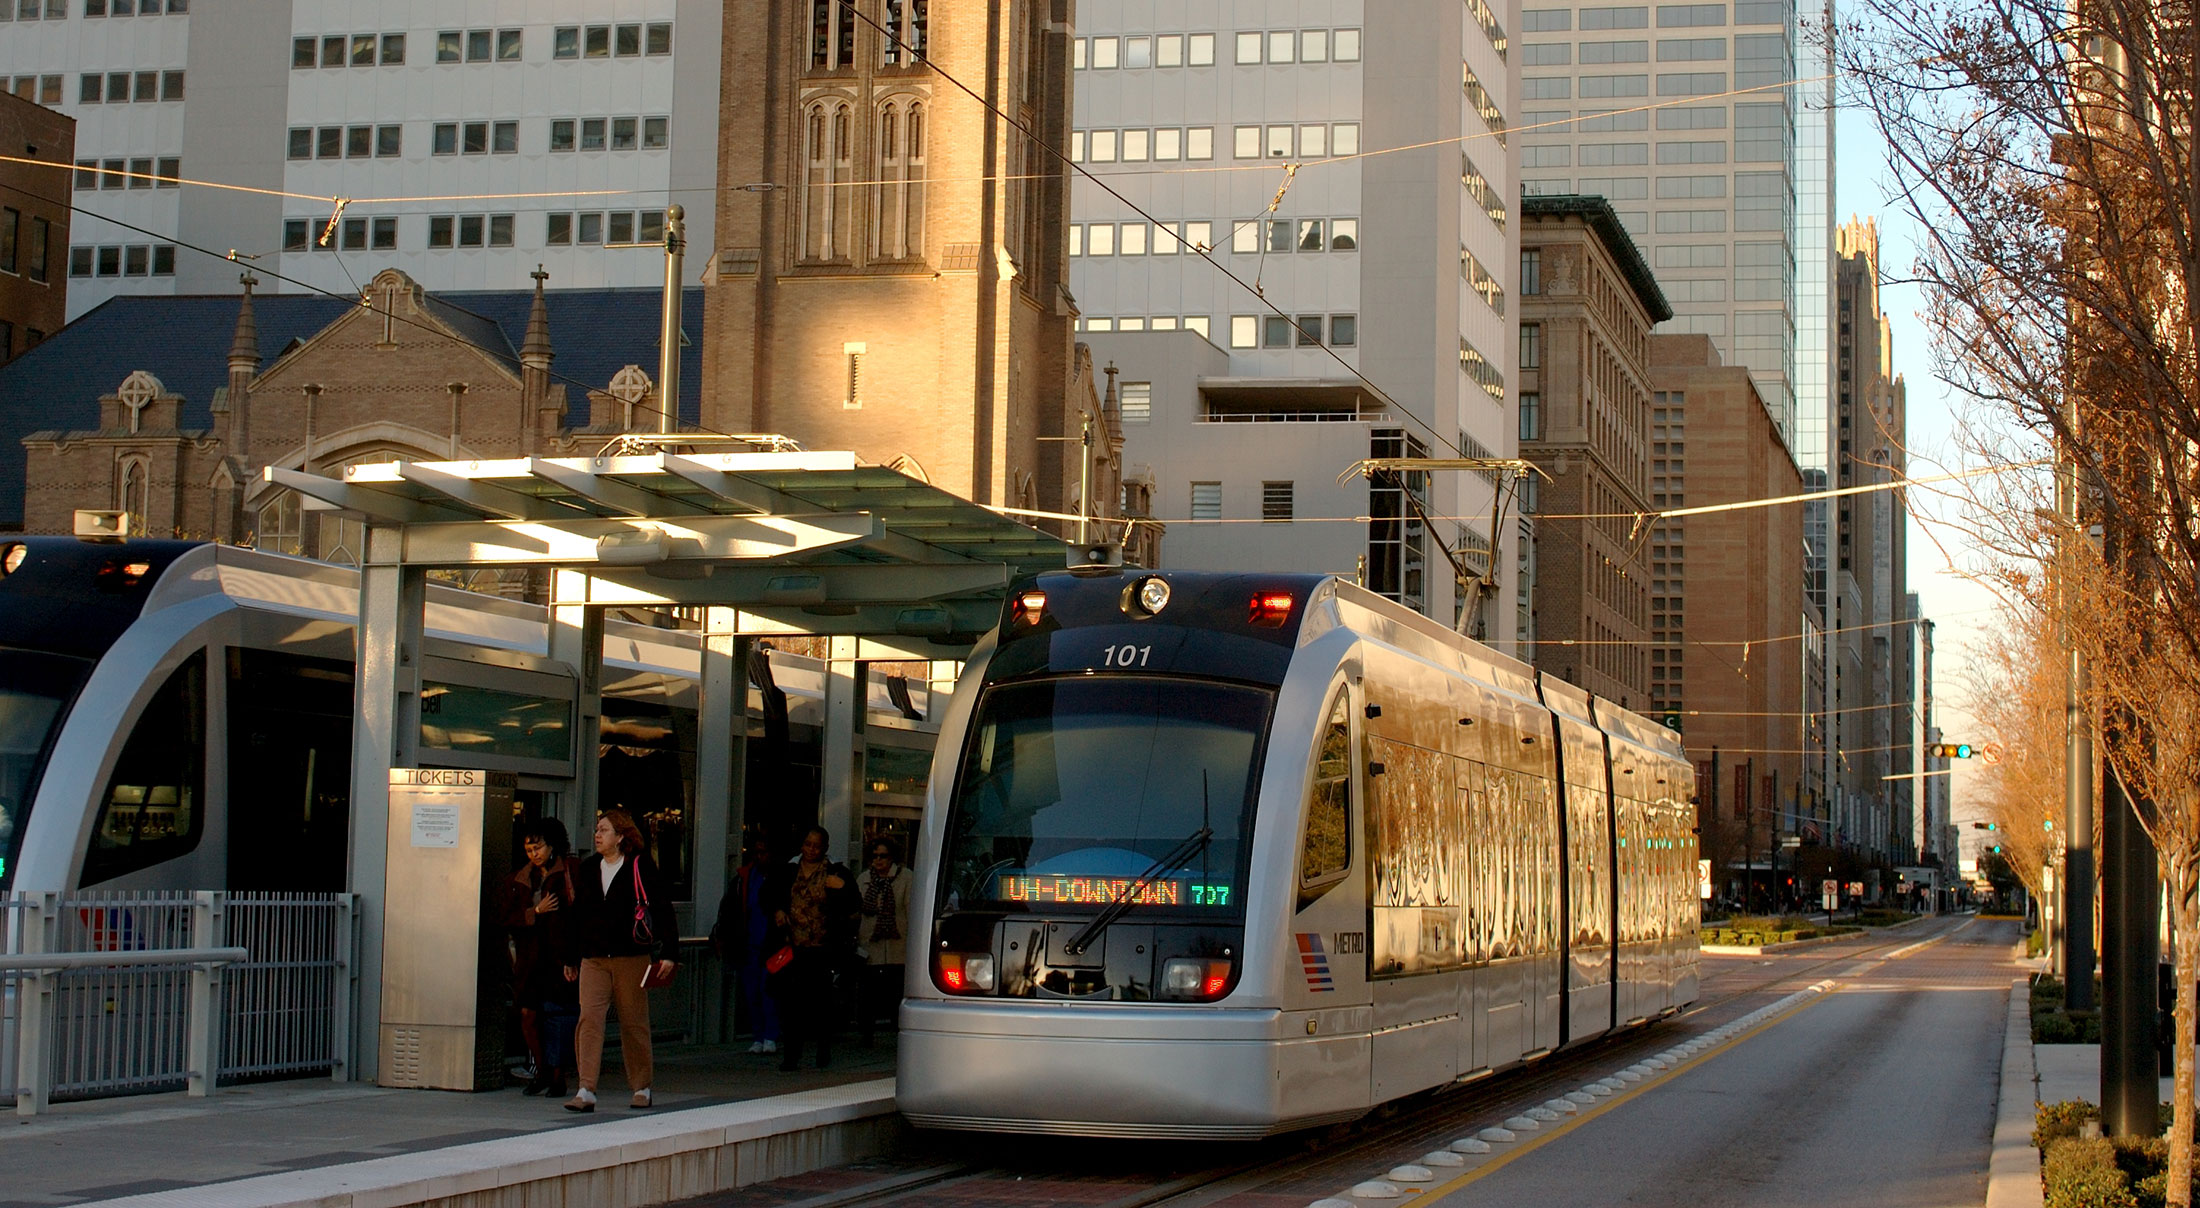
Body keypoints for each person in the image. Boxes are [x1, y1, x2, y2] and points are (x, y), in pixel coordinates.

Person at [563, 808, 678, 1112]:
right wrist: (571, 957)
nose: (597, 835)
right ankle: (586, 1088)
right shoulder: (588, 868)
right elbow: (578, 916)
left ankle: (641, 1086)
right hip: (594, 958)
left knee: (632, 1022)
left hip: (631, 957)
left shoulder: (640, 866)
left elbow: (664, 909)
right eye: (597, 830)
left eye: (604, 830)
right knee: (589, 1020)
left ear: (621, 836)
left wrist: (669, 953)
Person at [763, 826, 858, 1071]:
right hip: (793, 947)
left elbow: (855, 905)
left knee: (821, 1002)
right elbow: (767, 894)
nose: (811, 850)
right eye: (808, 844)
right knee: (791, 1002)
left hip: (822, 947)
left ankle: (822, 1051)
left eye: (816, 845)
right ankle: (791, 1056)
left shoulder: (835, 872)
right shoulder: (789, 871)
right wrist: (778, 911)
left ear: (825, 848)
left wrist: (842, 888)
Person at [500, 818, 581, 1097]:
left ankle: (558, 1075)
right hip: (529, 959)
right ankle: (543, 1069)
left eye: (538, 847)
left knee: (557, 1017)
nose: (534, 854)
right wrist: (534, 912)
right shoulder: (520, 878)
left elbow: (578, 919)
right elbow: (504, 918)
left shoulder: (570, 872)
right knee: (528, 1015)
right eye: (528, 848)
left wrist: (573, 958)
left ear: (552, 845)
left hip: (559, 958)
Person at [710, 833, 781, 1055]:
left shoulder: (778, 877)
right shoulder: (744, 878)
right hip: (749, 942)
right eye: (757, 852)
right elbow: (731, 909)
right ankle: (759, 1035)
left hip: (772, 943)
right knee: (753, 992)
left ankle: (770, 1035)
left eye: (764, 852)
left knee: (769, 991)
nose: (761, 857)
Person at [856, 838, 910, 1047]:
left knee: (896, 991)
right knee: (868, 992)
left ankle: (899, 1032)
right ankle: (866, 1034)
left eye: (883, 856)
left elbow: (910, 910)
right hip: (871, 945)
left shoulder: (906, 878)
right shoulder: (863, 878)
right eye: (875, 856)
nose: (878, 860)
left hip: (898, 946)